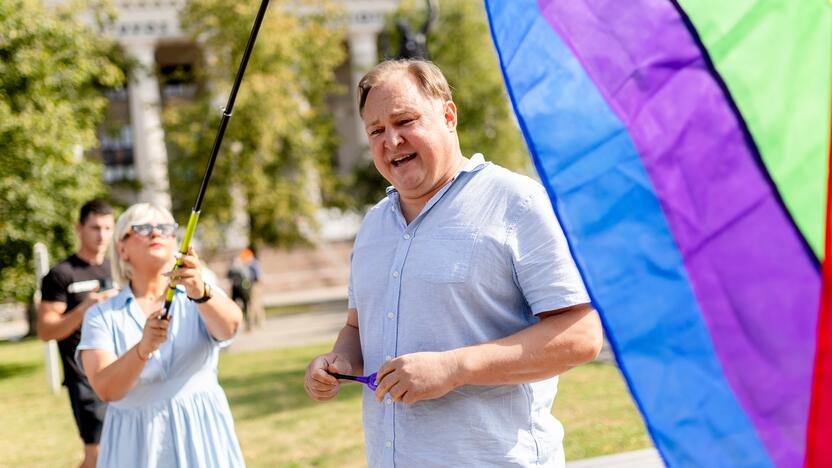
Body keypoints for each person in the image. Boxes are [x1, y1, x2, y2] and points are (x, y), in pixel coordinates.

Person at [304, 59, 604, 467]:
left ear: (448, 116)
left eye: (404, 121)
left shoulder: (516, 202)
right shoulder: (373, 225)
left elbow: (581, 336)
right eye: (376, 130)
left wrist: (454, 367)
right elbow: (357, 328)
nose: (391, 141)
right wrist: (338, 362)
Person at [76, 203, 245, 467]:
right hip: (136, 444)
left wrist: (200, 292)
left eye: (165, 228)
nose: (156, 234)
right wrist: (142, 349)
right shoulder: (102, 314)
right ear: (122, 248)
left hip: (201, 431)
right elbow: (106, 388)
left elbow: (231, 328)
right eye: (143, 228)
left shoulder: (200, 288)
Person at [38, 199, 117, 468]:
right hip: (83, 378)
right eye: (95, 227)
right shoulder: (62, 274)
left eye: (108, 228)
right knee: (97, 456)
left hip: (121, 370)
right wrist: (85, 308)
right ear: (79, 228)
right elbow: (46, 330)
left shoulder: (117, 269)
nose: (102, 235)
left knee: (123, 451)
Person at [227, 247, 263, 330]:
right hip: (245, 288)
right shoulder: (243, 266)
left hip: (252, 286)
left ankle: (256, 322)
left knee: (254, 304)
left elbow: (255, 276)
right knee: (251, 305)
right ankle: (253, 322)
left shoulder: (251, 264)